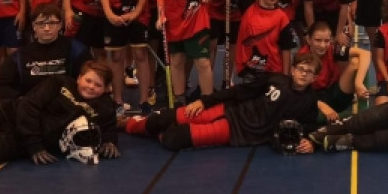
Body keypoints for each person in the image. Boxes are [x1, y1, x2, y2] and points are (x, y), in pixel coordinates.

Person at [124, 52, 335, 152]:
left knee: (172, 139)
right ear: (293, 70)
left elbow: (309, 125)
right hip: (231, 109)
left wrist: (312, 143)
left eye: (309, 72)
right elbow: (240, 91)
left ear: (315, 78)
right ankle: (127, 124)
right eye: (301, 69)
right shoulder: (276, 79)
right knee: (162, 119)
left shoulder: (309, 101)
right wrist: (205, 102)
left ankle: (165, 130)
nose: (304, 74)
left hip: (237, 132)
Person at [0, 3, 91, 101]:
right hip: (33, 107)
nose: (47, 28)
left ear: (60, 25)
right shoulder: (21, 55)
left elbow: (92, 78)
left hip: (67, 105)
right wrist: (21, 99)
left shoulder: (75, 49)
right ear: (34, 26)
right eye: (41, 23)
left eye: (52, 23)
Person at [233, 0, 300, 82]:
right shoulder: (248, 6)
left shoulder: (281, 17)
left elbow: (286, 49)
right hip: (249, 70)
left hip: (272, 72)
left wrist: (285, 77)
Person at [301, 20, 372, 116]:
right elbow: (299, 92)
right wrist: (322, 105)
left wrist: (358, 83)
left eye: (326, 41)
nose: (322, 45)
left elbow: (366, 53)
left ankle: (362, 113)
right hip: (312, 100)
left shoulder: (333, 49)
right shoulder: (302, 58)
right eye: (318, 40)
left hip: (333, 94)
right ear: (309, 40)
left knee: (356, 62)